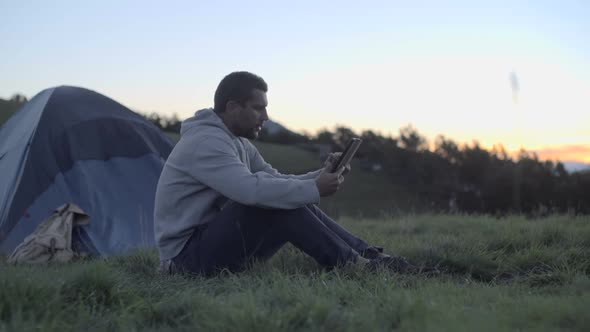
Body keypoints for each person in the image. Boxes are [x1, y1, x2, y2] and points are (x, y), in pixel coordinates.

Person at [154, 71, 413, 276]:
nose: (265, 116)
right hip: (185, 259)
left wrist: (319, 175)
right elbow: (249, 190)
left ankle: (368, 255)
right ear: (232, 107)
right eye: (258, 108)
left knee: (282, 197)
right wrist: (314, 189)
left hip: (208, 244)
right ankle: (352, 265)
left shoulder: (238, 143)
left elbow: (273, 179)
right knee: (273, 202)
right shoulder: (207, 142)